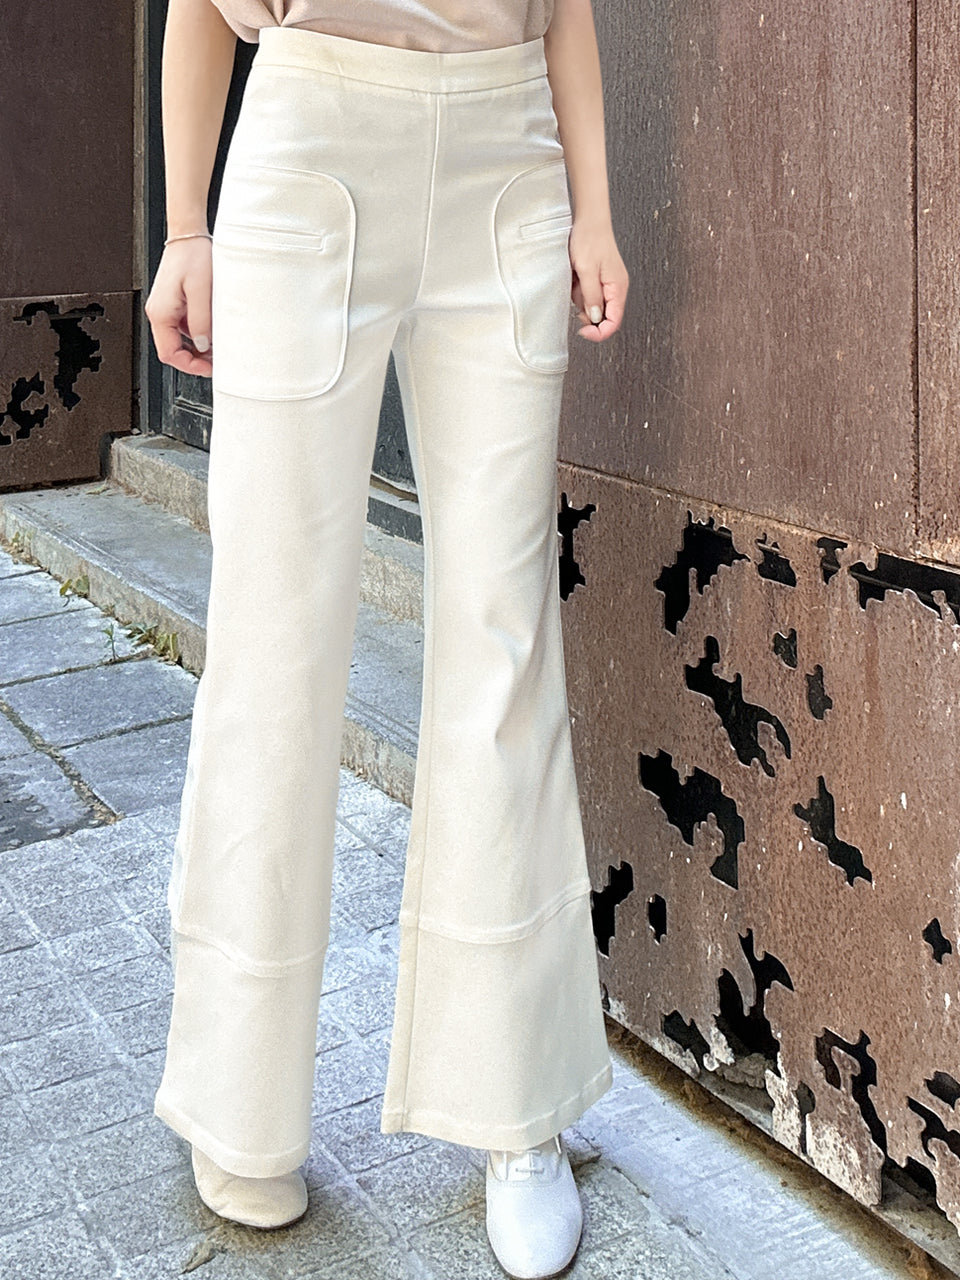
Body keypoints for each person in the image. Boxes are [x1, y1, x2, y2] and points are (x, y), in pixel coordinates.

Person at [143, 2, 629, 1276]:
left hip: (505, 146)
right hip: (308, 134)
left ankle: (517, 1104)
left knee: (503, 635)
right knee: (271, 632)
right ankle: (239, 1096)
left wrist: (594, 208)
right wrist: (185, 229)